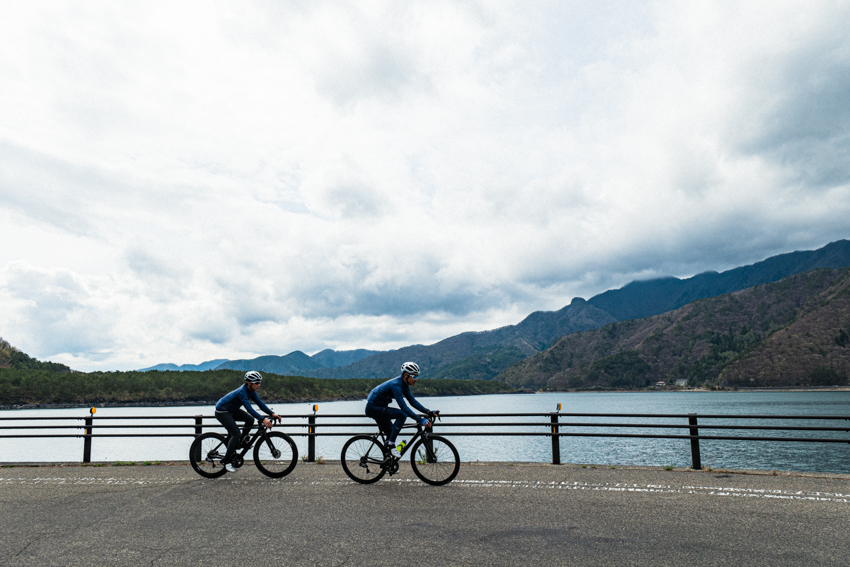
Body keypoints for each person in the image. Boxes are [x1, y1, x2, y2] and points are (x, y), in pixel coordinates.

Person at [365, 362, 438, 458]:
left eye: (417, 376)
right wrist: (420, 420)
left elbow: (413, 402)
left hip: (380, 407)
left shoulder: (404, 385)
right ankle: (391, 444)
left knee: (391, 434)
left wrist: (428, 412)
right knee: (402, 414)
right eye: (414, 376)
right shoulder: (396, 385)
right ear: (406, 375)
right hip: (373, 408)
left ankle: (388, 462)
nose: (416, 379)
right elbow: (403, 407)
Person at [215, 370, 280, 473]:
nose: (259, 385)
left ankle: (240, 441)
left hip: (232, 409)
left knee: (250, 419)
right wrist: (263, 419)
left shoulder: (251, 391)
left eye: (260, 382)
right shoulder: (243, 392)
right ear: (249, 383)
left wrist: (271, 413)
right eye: (257, 383)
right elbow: (249, 408)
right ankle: (226, 461)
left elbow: (260, 403)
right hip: (222, 411)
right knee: (236, 434)